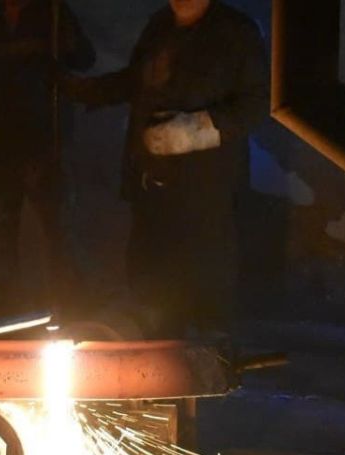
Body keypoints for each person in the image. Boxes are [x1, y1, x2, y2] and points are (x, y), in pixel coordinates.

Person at [61, 0, 268, 337]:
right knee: (152, 285)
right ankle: (159, 356)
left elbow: (257, 102)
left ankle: (210, 356)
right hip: (152, 187)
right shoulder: (159, 27)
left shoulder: (235, 32)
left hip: (205, 192)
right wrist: (86, 91)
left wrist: (195, 131)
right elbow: (135, 81)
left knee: (206, 287)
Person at [0, 0, 95, 317]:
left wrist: (67, 41)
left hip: (45, 146)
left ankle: (73, 316)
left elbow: (85, 59)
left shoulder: (53, 13)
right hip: (0, 148)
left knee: (60, 237)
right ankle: (3, 319)